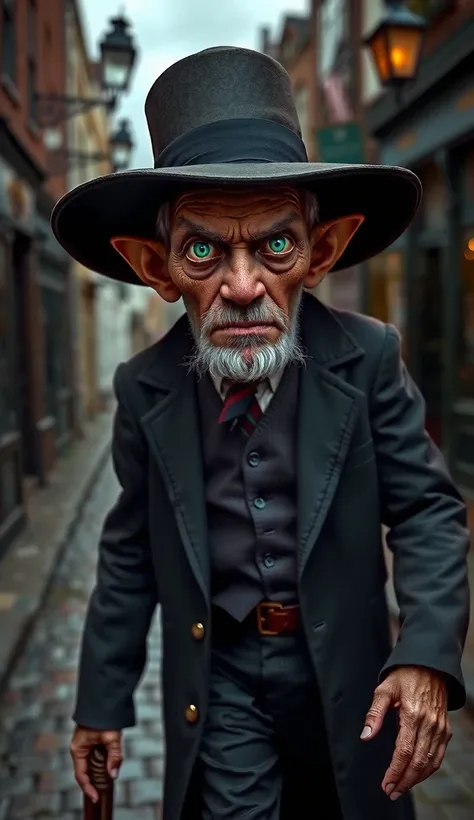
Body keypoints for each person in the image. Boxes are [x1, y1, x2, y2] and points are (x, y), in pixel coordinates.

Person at [52, 47, 470, 820]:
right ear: (158, 266)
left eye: (274, 244)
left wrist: (426, 654)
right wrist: (99, 701)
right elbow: (130, 550)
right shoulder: (143, 388)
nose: (242, 287)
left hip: (351, 676)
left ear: (321, 251)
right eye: (205, 250)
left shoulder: (371, 358)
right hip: (222, 681)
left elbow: (426, 513)